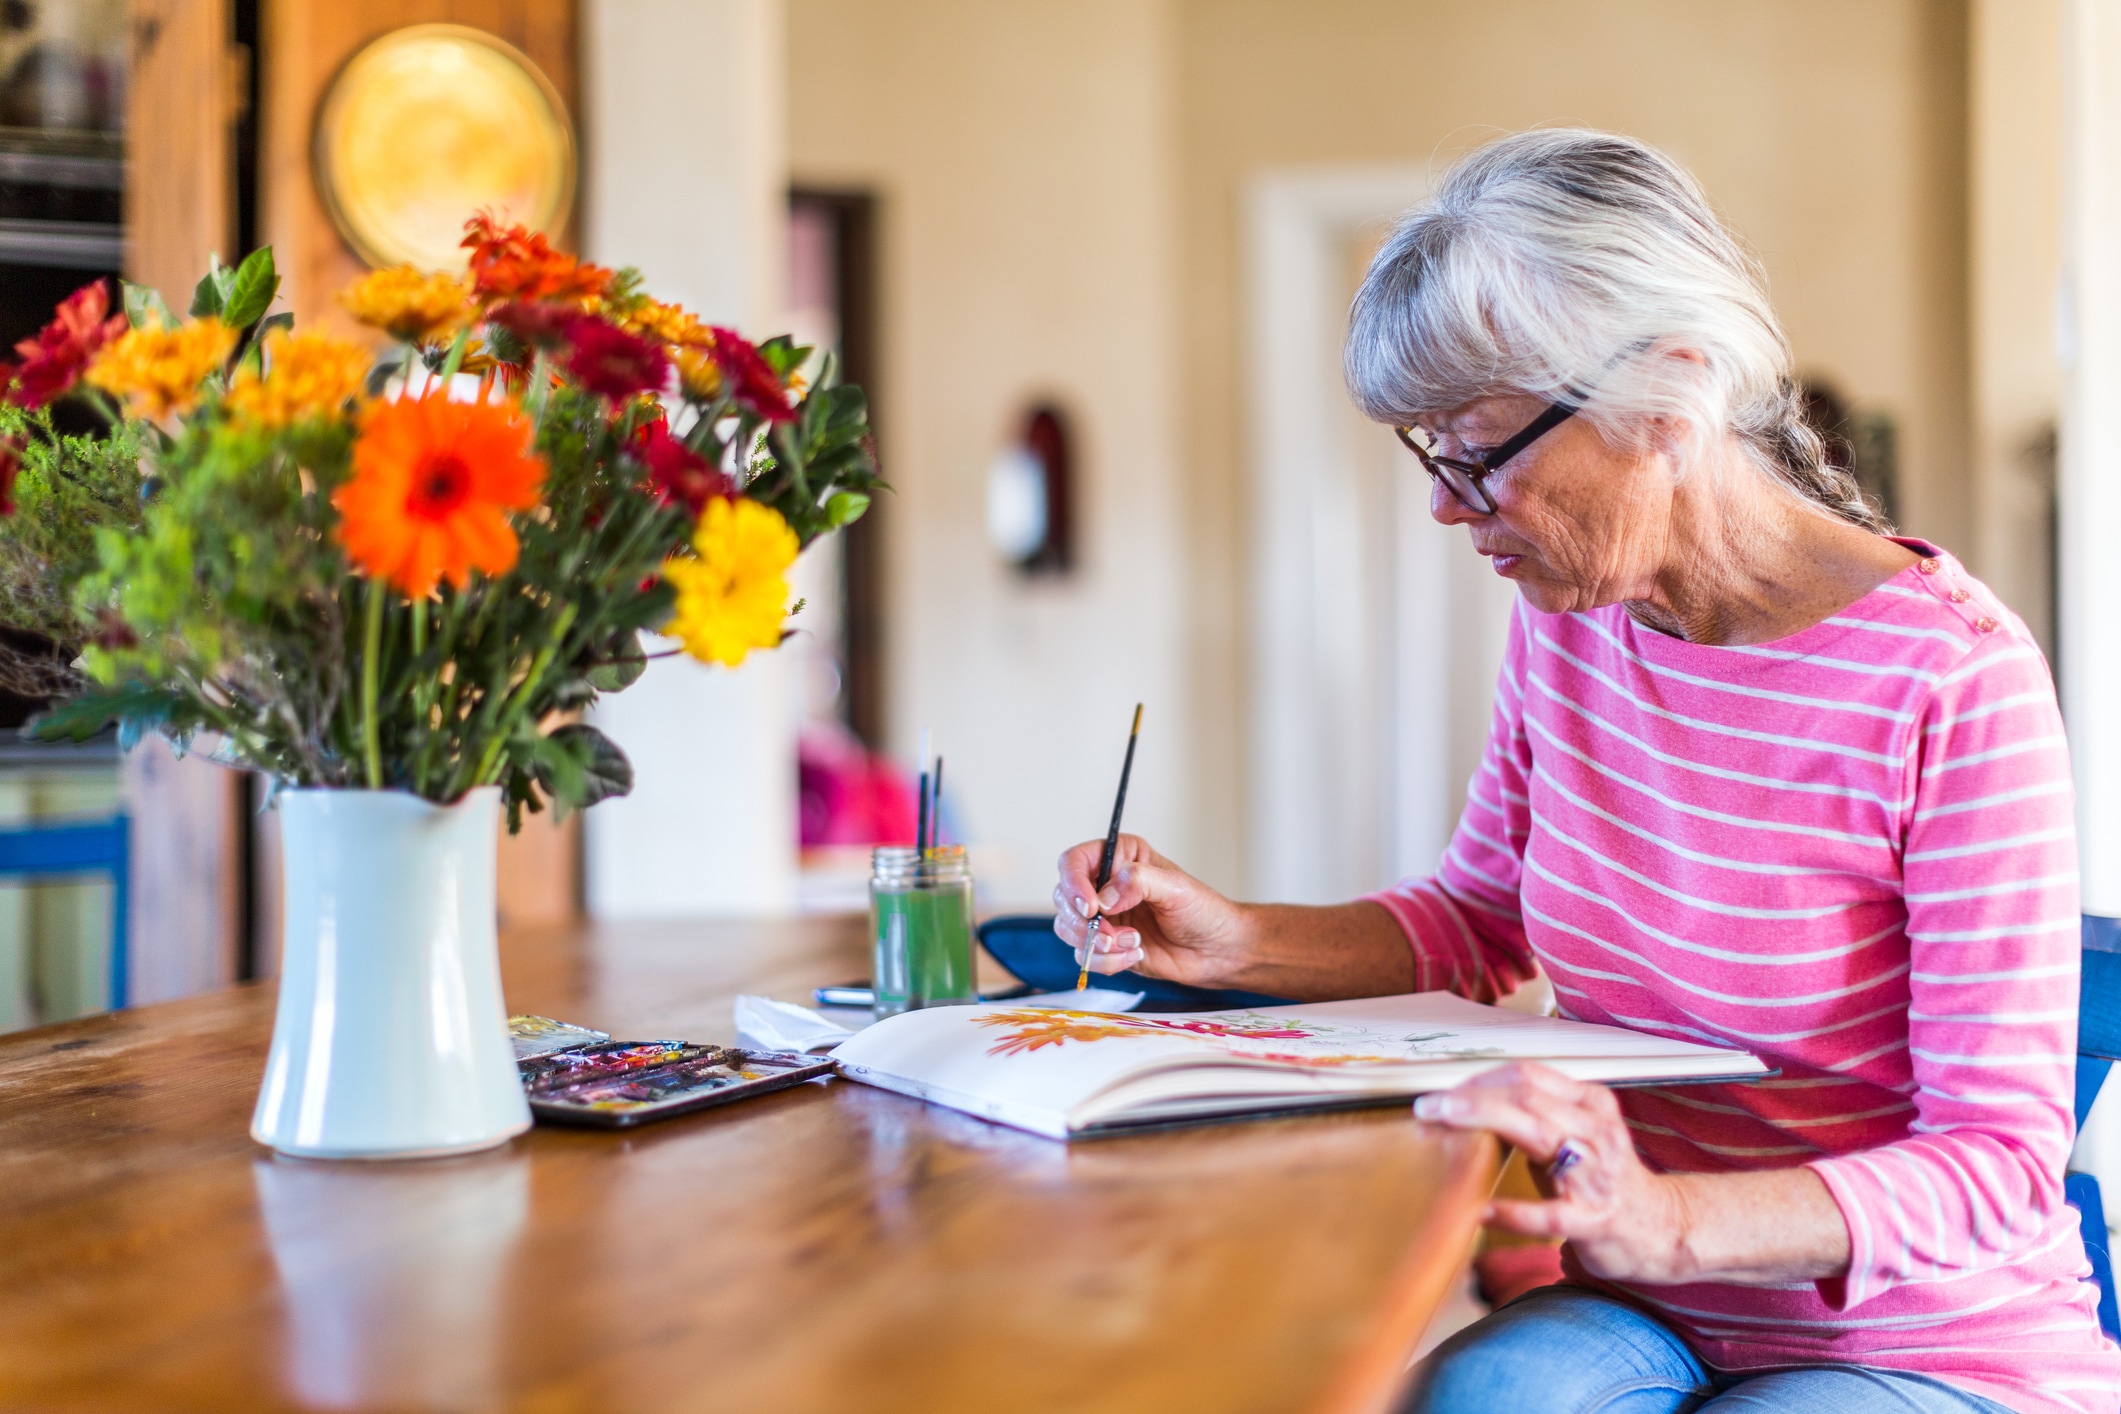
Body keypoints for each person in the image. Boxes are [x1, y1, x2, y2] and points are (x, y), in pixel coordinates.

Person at [1053, 129, 2120, 1413]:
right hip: (1654, 1305)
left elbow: (2002, 1158)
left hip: (1933, 1338)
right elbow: (1478, 922)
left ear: (1669, 392)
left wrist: (1665, 1217)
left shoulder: (1954, 678)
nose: (1449, 505)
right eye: (1429, 454)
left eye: (1478, 450)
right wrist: (1232, 942)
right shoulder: (1570, 620)